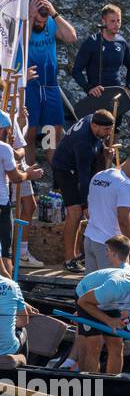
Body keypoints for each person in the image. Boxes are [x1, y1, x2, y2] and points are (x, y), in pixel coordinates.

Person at [50, 109, 115, 271]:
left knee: (79, 213)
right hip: (65, 170)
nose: (108, 133)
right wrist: (87, 204)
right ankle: (68, 258)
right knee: (76, 213)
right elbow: (84, 178)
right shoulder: (83, 143)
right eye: (106, 130)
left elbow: (99, 142)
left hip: (76, 162)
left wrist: (104, 148)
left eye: (110, 129)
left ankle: (77, 252)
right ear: (94, 126)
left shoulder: (93, 117)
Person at [22, 0, 77, 153]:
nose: (41, 25)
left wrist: (54, 14)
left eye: (43, 22)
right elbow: (20, 44)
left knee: (52, 136)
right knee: (29, 136)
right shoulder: (24, 25)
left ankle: (55, 172)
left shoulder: (50, 23)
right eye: (38, 22)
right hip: (30, 86)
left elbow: (71, 37)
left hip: (50, 86)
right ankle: (29, 176)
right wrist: (31, 17)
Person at [83, 151, 130, 271]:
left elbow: (89, 210)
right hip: (110, 246)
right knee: (112, 288)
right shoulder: (125, 184)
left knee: (90, 287)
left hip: (89, 240)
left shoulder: (98, 176)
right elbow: (124, 219)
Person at [0, 111, 43, 278]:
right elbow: (16, 177)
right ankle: (9, 292)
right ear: (2, 130)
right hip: (2, 206)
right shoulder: (3, 148)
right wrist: (29, 175)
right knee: (5, 254)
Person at [71, 3, 130, 101]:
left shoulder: (121, 42)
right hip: (97, 97)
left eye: (118, 21)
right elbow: (76, 70)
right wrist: (88, 88)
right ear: (103, 21)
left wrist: (128, 87)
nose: (116, 24)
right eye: (112, 21)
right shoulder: (92, 42)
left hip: (116, 98)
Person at [0, 269, 34, 371]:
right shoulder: (12, 285)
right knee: (23, 330)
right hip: (6, 350)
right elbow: (23, 322)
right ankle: (22, 362)